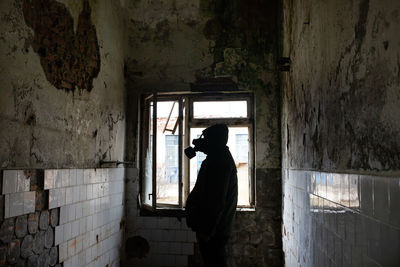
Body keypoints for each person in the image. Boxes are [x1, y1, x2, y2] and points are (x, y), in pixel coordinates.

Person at [185, 124, 238, 267]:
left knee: (214, 262)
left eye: (206, 138)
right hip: (215, 229)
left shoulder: (219, 162)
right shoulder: (218, 157)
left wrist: (206, 230)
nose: (202, 141)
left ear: (214, 141)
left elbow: (216, 200)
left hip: (213, 232)